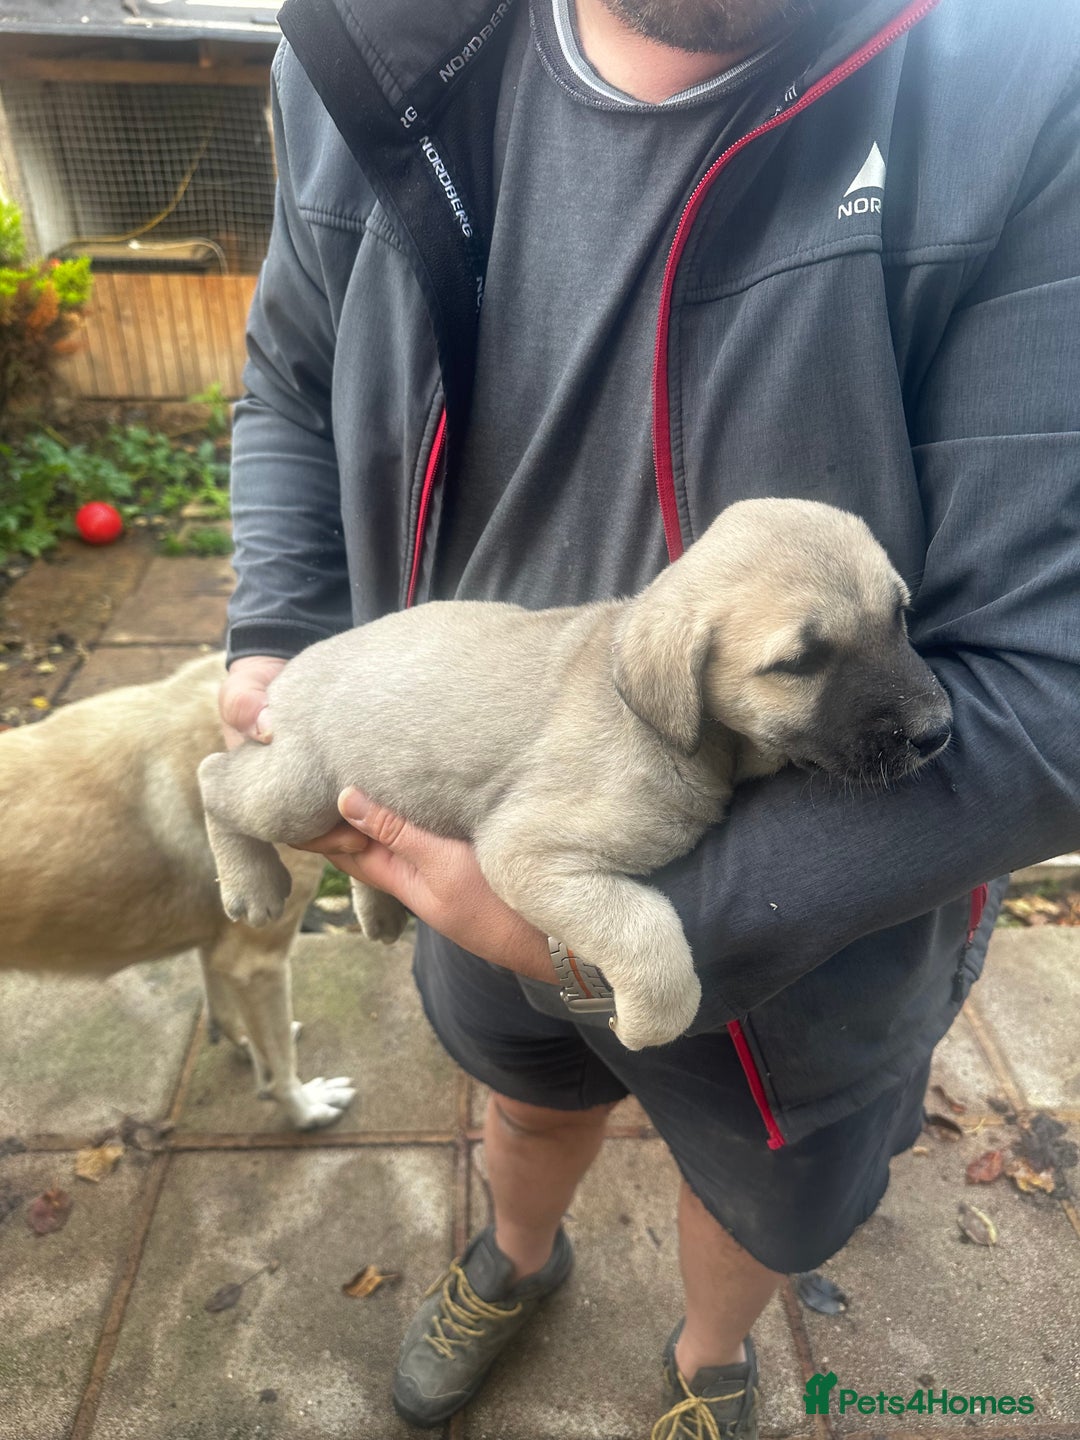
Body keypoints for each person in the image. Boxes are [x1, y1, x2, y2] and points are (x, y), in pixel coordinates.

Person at [220, 0, 1080, 1433]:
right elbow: (293, 384)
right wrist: (282, 629)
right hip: (477, 815)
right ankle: (515, 1256)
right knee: (528, 1096)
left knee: (752, 1170)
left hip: (823, 924)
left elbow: (1053, 681)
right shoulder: (372, 50)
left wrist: (625, 921)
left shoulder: (1028, 78)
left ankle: (711, 1361)